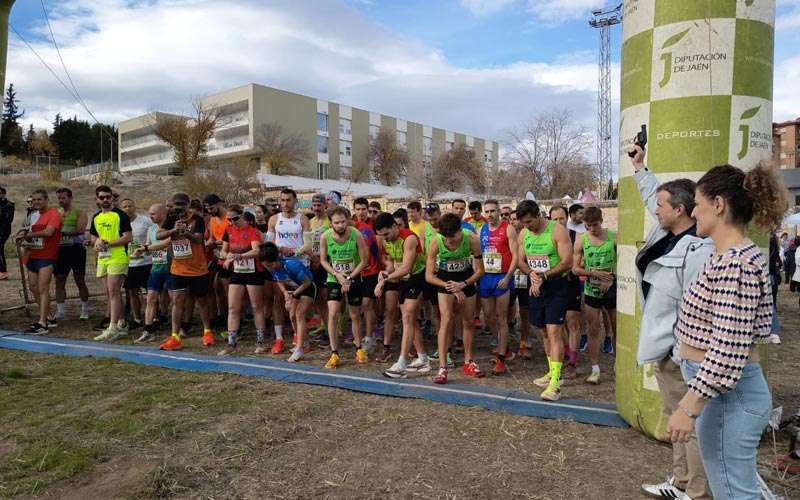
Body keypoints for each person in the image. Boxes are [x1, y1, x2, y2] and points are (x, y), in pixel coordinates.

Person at [666, 162, 786, 500]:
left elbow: (728, 350)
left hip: (729, 396)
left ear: (718, 205)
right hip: (723, 395)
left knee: (734, 492)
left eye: (697, 203)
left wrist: (688, 407)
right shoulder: (730, 257)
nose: (693, 211)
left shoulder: (736, 264)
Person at [631, 144, 714, 500]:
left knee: (689, 422)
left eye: (662, 206)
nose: (656, 209)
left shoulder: (698, 249)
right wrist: (640, 167)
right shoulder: (668, 231)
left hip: (683, 350)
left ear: (680, 210)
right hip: (665, 345)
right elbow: (654, 194)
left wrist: (681, 351)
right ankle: (680, 481)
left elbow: (698, 307)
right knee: (675, 417)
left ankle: (696, 491)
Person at [516, 199, 573, 401]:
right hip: (535, 286)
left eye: (529, 222)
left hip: (556, 285)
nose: (527, 226)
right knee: (544, 332)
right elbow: (521, 261)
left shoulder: (557, 231)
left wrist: (545, 275)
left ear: (538, 215)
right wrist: (531, 273)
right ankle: (552, 371)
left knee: (554, 331)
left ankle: (555, 384)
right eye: (523, 223)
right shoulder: (524, 233)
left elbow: (567, 262)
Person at [426, 213, 485, 384]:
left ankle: (468, 361)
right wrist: (450, 287)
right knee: (446, 319)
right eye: (445, 237)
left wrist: (463, 284)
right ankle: (442, 366)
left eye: (452, 237)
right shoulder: (436, 242)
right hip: (445, 280)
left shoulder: (472, 239)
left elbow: (480, 271)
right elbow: (429, 276)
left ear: (460, 230)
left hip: (466, 279)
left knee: (468, 321)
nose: (449, 241)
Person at [374, 212, 430, 378]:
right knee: (410, 320)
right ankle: (423, 358)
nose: (385, 238)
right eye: (381, 235)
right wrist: (385, 272)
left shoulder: (409, 238)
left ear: (394, 226)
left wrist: (384, 281)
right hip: (403, 280)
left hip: (418, 276)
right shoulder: (386, 240)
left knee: (407, 317)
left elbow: (406, 267)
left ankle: (402, 363)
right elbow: (393, 263)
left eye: (386, 234)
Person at [157, 193, 215, 350]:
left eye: (182, 205)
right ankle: (175, 336)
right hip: (178, 268)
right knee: (177, 301)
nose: (179, 208)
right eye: (176, 205)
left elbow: (198, 239)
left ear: (188, 205)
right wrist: (173, 230)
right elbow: (159, 235)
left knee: (202, 301)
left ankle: (207, 331)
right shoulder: (171, 218)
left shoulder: (197, 219)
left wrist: (185, 232)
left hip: (198, 268)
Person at [319, 207, 369, 368]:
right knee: (333, 313)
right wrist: (337, 274)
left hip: (353, 276)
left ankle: (359, 348)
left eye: (343, 222)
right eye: (336, 223)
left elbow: (364, 261)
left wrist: (349, 278)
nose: (340, 225)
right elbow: (323, 260)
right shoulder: (325, 237)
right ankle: (334, 353)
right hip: (334, 278)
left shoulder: (356, 235)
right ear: (331, 223)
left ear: (347, 220)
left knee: (355, 314)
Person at [571, 207, 616, 384]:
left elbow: (625, 261)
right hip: (592, 289)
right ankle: (595, 369)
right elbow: (575, 269)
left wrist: (611, 277)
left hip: (611, 288)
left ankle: (618, 365)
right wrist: (592, 274)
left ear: (601, 221)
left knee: (616, 328)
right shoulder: (581, 240)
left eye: (595, 225)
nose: (592, 229)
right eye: (588, 225)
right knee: (593, 329)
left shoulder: (613, 237)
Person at [218, 205, 267, 355]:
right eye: (229, 220)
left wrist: (240, 256)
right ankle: (231, 343)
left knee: (256, 307)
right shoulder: (229, 230)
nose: (232, 222)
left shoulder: (252, 231)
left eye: (234, 219)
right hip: (237, 271)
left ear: (242, 216)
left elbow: (256, 250)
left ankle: (261, 342)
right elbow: (223, 251)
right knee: (233, 307)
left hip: (253, 271)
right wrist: (227, 256)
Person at [267, 188, 311, 354]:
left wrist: (294, 252)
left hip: (299, 266)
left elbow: (308, 244)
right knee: (279, 300)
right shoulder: (274, 219)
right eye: (283, 200)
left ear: (295, 201)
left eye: (288, 200)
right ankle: (279, 339)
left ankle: (299, 338)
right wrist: (280, 250)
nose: (285, 203)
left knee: (297, 307)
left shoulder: (303, 219)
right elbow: (268, 244)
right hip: (279, 266)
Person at [478, 199, 518, 375]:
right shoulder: (482, 229)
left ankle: (501, 358)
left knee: (502, 317)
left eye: (493, 211)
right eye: (487, 211)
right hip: (486, 277)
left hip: (502, 277)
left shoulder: (508, 228)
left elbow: (516, 256)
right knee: (488, 317)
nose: (490, 214)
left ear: (499, 211)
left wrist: (508, 277)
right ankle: (504, 347)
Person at [89, 185, 132, 341]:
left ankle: (112, 327)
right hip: (103, 257)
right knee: (110, 292)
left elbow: (128, 237)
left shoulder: (120, 215)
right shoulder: (96, 217)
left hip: (118, 256)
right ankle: (121, 323)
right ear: (97, 199)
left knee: (114, 290)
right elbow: (93, 236)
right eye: (102, 197)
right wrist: (97, 242)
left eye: (108, 197)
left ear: (112, 198)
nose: (106, 200)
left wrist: (109, 243)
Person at [16, 189, 62, 334]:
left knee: (43, 288)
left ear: (46, 200)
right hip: (32, 253)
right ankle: (50, 317)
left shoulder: (54, 213)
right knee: (33, 287)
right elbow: (28, 231)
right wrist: (24, 239)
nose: (36, 202)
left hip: (47, 255)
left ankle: (42, 323)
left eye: (39, 199)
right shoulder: (34, 215)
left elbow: (49, 232)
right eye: (34, 200)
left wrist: (29, 235)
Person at [261, 242, 316, 362]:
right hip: (296, 289)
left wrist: (293, 295)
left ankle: (299, 348)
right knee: (292, 316)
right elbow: (279, 280)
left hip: (308, 287)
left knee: (299, 314)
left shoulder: (291, 265)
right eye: (266, 266)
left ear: (276, 260)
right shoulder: (272, 267)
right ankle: (304, 343)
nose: (269, 268)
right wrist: (285, 293)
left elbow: (307, 283)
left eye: (270, 265)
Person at [549, 205, 583, 378]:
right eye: (554, 219)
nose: (558, 222)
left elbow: (582, 260)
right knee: (557, 324)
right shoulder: (547, 236)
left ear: (567, 218)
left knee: (572, 322)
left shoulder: (576, 236)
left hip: (571, 284)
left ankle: (572, 362)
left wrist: (575, 265)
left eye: (561, 218)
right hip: (553, 284)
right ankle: (564, 353)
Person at [134, 203, 171, 343]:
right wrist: (141, 251)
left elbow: (165, 243)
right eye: (149, 213)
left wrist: (145, 248)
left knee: (175, 298)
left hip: (171, 268)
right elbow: (149, 245)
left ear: (163, 214)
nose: (150, 216)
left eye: (153, 214)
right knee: (151, 298)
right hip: (156, 268)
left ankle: (177, 329)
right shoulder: (151, 229)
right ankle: (148, 330)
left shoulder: (170, 228)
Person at [54, 187, 90, 321]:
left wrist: (61, 232)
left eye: (63, 198)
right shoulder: (56, 213)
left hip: (76, 249)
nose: (61, 201)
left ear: (70, 198)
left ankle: (85, 309)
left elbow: (80, 229)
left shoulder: (80, 212)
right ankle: (61, 311)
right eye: (59, 198)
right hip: (61, 250)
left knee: (79, 279)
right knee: (59, 279)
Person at [120, 198, 154, 330]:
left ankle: (152, 317)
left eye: (130, 206)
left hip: (146, 262)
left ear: (135, 207)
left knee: (150, 292)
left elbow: (154, 236)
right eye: (124, 207)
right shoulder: (119, 222)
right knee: (132, 292)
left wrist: (147, 248)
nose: (127, 209)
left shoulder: (145, 221)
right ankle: (137, 319)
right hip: (129, 263)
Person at [353, 197, 382, 346]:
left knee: (367, 304)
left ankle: (370, 336)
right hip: (355, 272)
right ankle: (359, 334)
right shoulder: (349, 225)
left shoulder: (372, 226)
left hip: (372, 270)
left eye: (363, 209)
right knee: (358, 306)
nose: (361, 212)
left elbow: (373, 248)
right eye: (358, 209)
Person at [508, 210, 532, 359]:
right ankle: (504, 342)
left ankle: (524, 341)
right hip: (510, 277)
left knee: (525, 311)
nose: (513, 222)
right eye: (511, 219)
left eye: (515, 219)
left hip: (524, 277)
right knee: (505, 309)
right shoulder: (507, 235)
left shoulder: (528, 235)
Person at [204, 194, 229, 327]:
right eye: (207, 209)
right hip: (218, 257)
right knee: (216, 287)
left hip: (230, 257)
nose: (209, 211)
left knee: (227, 288)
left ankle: (233, 316)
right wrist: (207, 244)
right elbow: (212, 238)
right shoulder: (212, 220)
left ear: (219, 204)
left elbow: (233, 238)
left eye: (211, 208)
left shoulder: (229, 218)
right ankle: (222, 315)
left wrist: (217, 243)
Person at [0, 185, 14, 280]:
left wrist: (1, 234)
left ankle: (3, 272)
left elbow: (7, 220)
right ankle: (2, 272)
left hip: (3, 231)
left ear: (4, 194)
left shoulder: (9, 205)